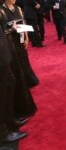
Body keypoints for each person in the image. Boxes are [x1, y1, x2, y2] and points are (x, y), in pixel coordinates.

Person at [0, 9, 27, 143]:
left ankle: (10, 120)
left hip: (5, 55)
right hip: (1, 57)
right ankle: (3, 133)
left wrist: (10, 28)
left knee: (10, 83)